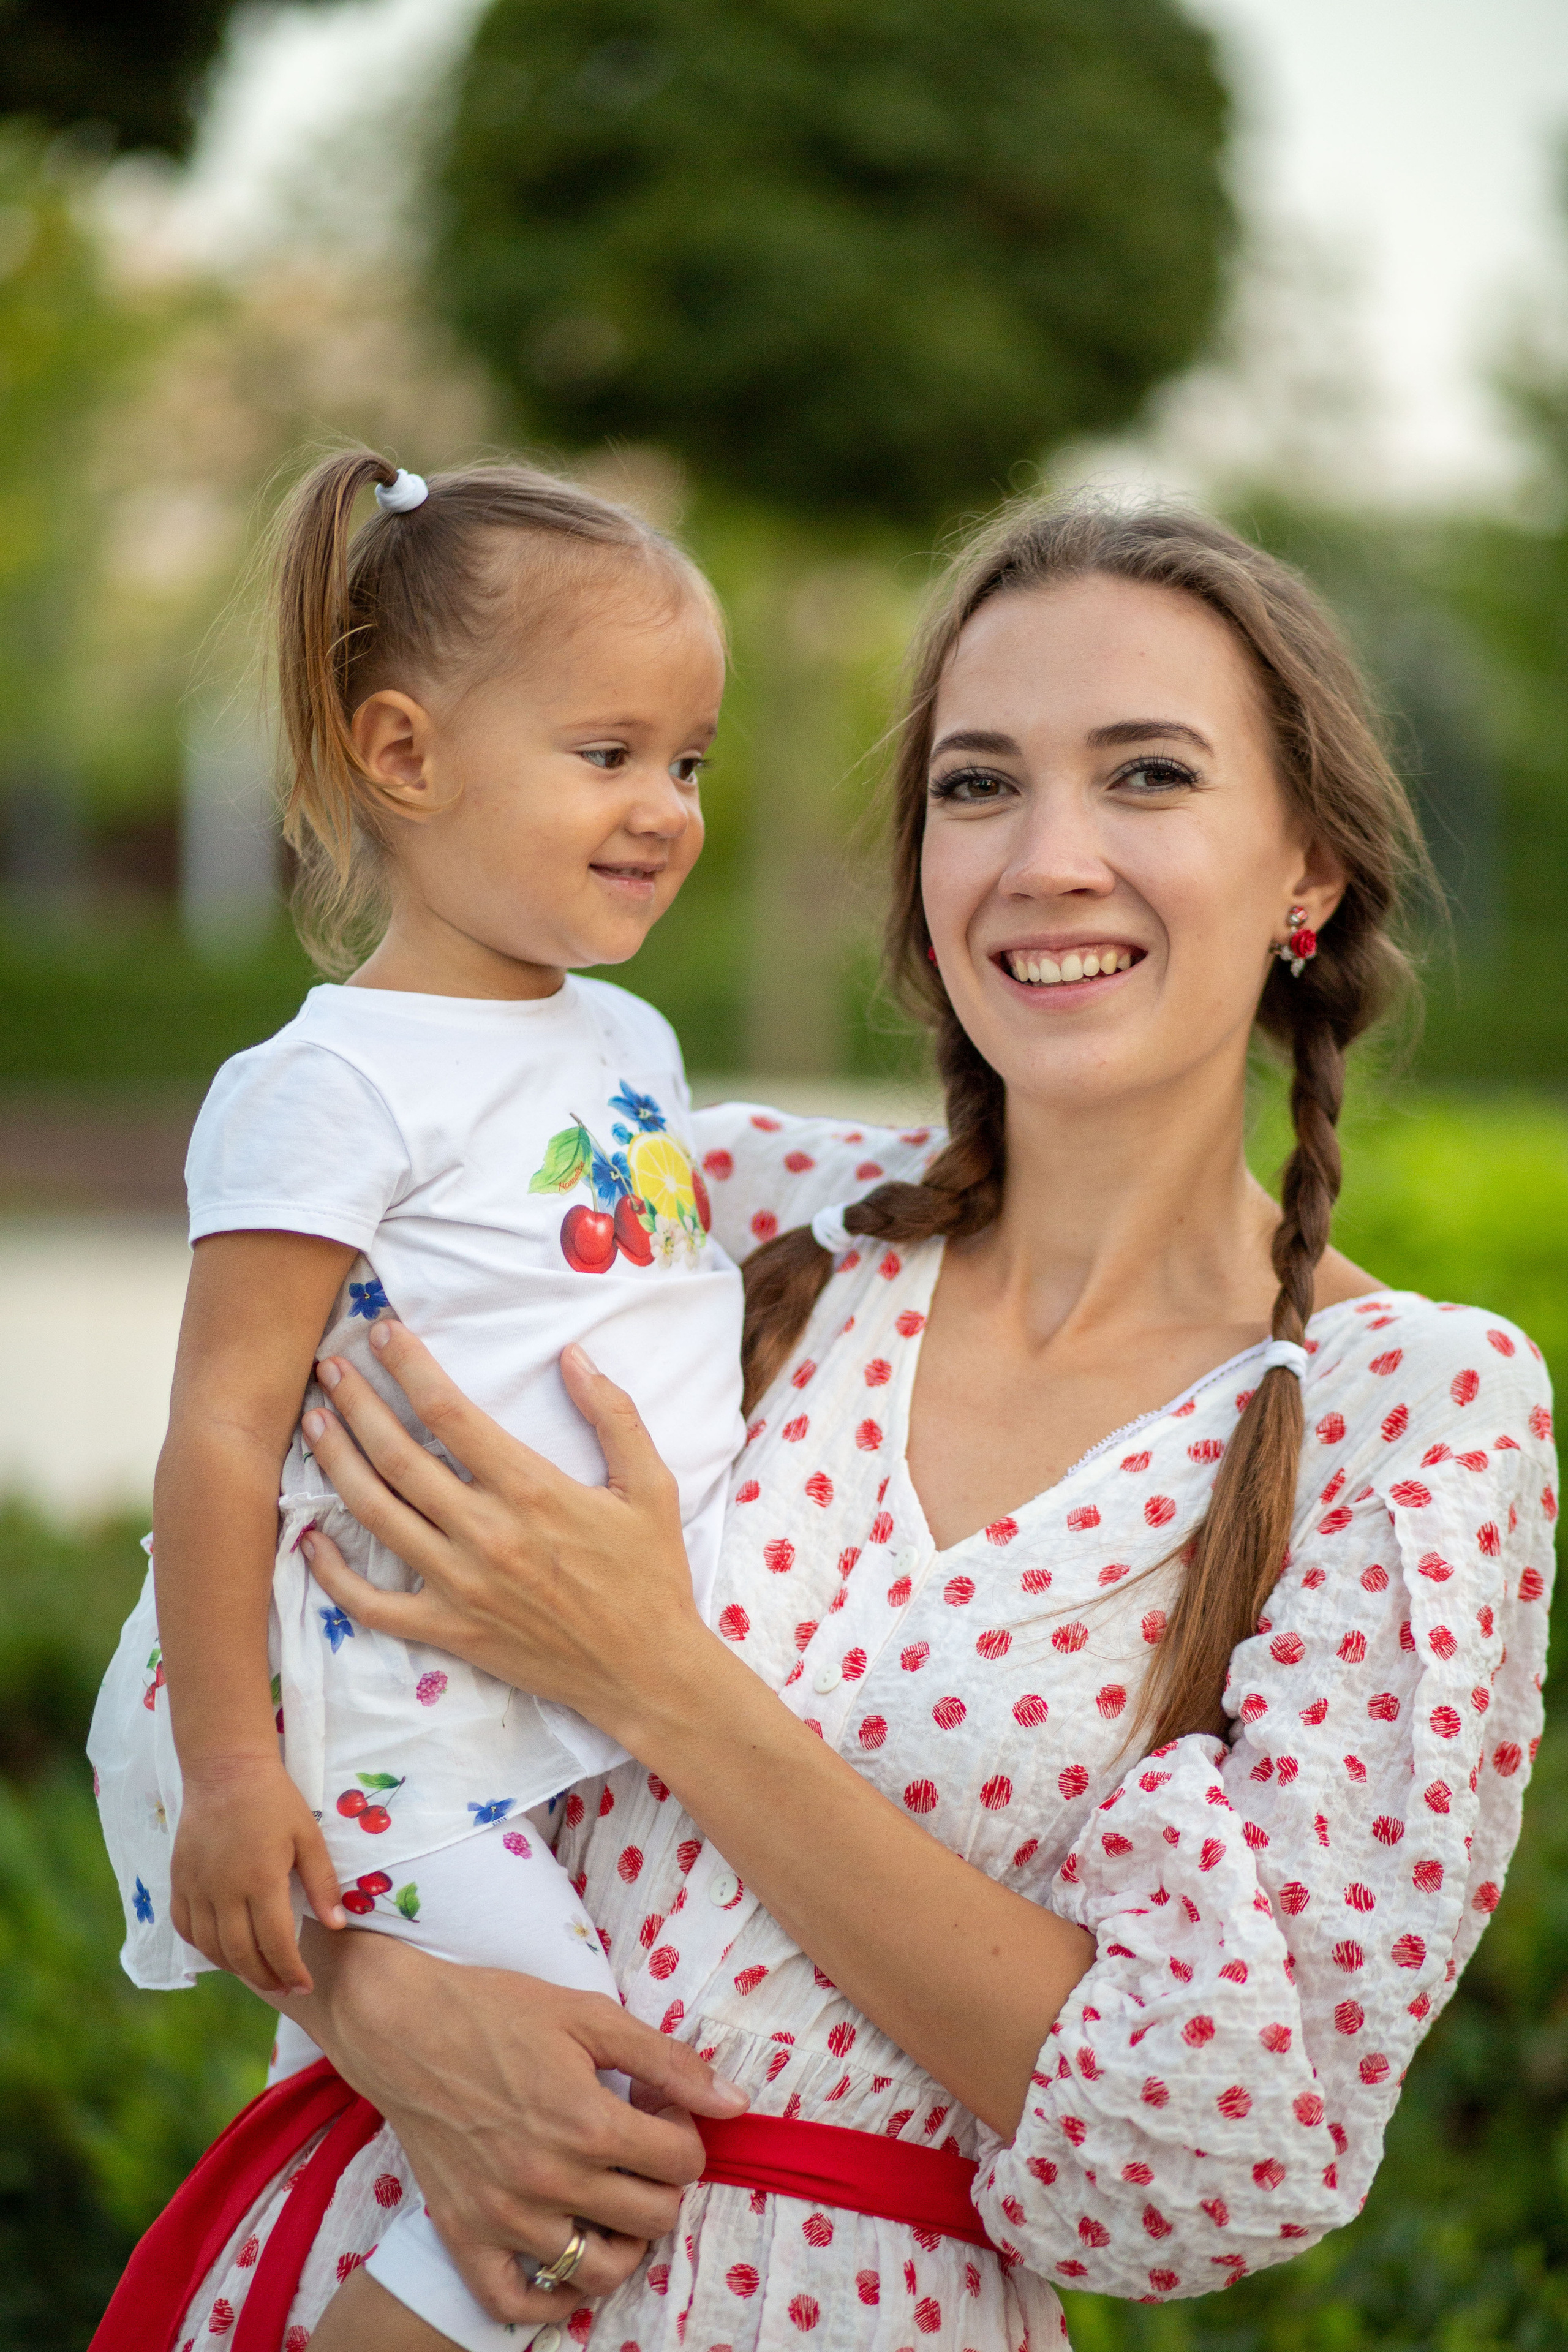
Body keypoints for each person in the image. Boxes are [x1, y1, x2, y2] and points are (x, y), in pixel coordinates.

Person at [96, 499, 1554, 2352]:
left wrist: (656, 1677)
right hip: (374, 2258)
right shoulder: (715, 1212)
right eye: (976, 786)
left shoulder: (1413, 1417)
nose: (1050, 859)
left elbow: (1216, 2153)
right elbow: (240, 1637)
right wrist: (379, 2000)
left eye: (1150, 775)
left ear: (1308, 873)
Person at [88, 445, 894, 2334]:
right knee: (592, 2122)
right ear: (404, 754)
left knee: (517, 2124)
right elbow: (219, 1432)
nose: (666, 809)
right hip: (385, 1709)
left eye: (689, 762)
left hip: (548, 1685)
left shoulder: (626, 1036)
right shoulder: (332, 1084)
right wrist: (233, 1774)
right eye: (607, 753)